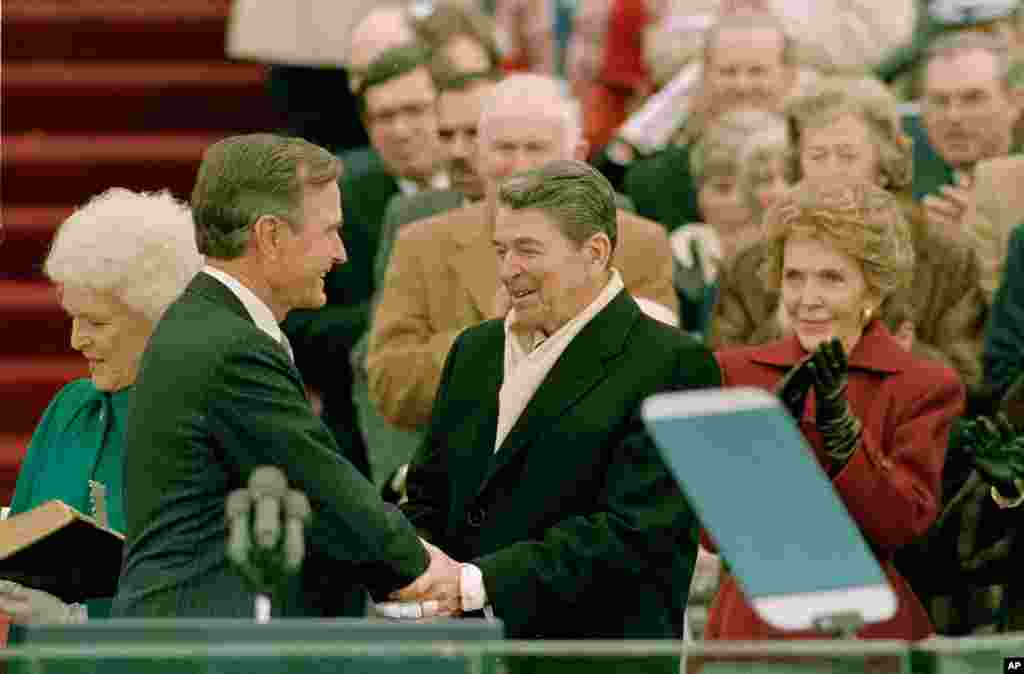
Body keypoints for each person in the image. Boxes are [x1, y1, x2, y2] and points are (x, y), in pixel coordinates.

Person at [112, 134, 459, 619]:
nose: (340, 253)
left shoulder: (210, 323)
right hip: (197, 641)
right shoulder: (230, 347)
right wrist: (434, 572)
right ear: (271, 236)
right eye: (329, 231)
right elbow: (322, 486)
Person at [393, 160, 720, 672]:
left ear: (594, 252)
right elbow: (431, 495)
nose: (508, 269)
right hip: (461, 659)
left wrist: (476, 584)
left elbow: (634, 535)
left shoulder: (674, 363)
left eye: (528, 249)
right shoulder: (474, 350)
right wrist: (419, 572)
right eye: (501, 250)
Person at [705, 178, 965, 646]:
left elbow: (900, 526)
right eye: (794, 276)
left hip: (863, 628)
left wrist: (845, 441)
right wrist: (760, 446)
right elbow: (711, 534)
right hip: (751, 628)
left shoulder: (923, 386)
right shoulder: (735, 372)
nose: (807, 298)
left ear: (874, 291)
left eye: (832, 278)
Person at [367, 73, 679, 437]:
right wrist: (495, 337)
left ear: (578, 157)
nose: (519, 165)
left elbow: (658, 376)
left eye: (536, 149)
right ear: (479, 155)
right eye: (504, 148)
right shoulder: (422, 245)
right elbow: (391, 389)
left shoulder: (638, 243)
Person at [0, 188, 203, 627]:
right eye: (73, 318)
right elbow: (18, 532)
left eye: (96, 322)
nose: (76, 340)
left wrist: (79, 622)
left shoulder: (196, 420)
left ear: (159, 317)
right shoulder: (71, 405)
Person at [710, 77, 989, 392]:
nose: (832, 171)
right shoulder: (750, 262)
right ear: (797, 168)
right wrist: (782, 329)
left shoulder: (947, 255)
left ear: (884, 166)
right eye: (817, 156)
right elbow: (722, 384)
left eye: (846, 156)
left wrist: (882, 342)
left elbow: (970, 383)